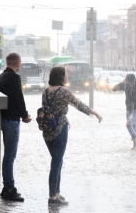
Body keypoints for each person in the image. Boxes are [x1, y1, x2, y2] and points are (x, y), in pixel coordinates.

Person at [42, 66, 102, 205]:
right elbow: (79, 105)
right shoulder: (64, 92)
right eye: (66, 74)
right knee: (56, 163)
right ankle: (52, 197)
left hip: (46, 130)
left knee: (57, 161)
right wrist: (95, 113)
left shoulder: (45, 92)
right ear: (61, 76)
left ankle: (56, 193)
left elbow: (46, 111)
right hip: (60, 128)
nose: (67, 76)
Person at [0, 53, 32, 202]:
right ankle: (10, 189)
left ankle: (6, 188)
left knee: (7, 157)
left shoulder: (0, 77)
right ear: (18, 63)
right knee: (10, 156)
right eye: (21, 63)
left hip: (1, 119)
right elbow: (18, 97)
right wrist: (24, 115)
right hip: (12, 120)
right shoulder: (15, 78)